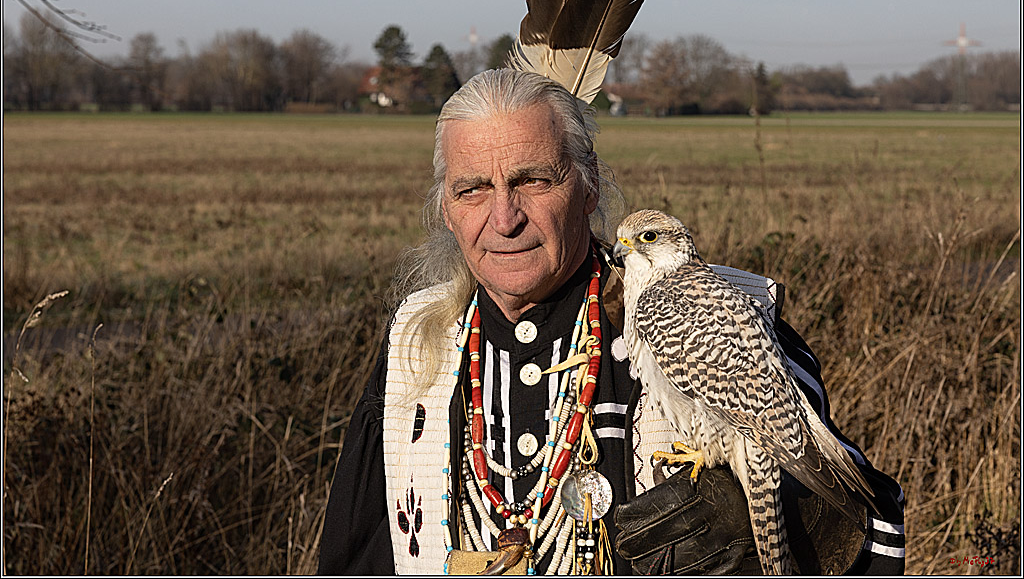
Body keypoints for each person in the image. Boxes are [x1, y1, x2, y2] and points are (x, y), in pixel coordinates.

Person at [317, 68, 906, 575]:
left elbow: (869, 525)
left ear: (589, 185)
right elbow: (356, 557)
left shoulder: (722, 310)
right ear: (446, 209)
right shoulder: (415, 344)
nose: (504, 218)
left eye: (532, 180)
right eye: (473, 189)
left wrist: (788, 530)